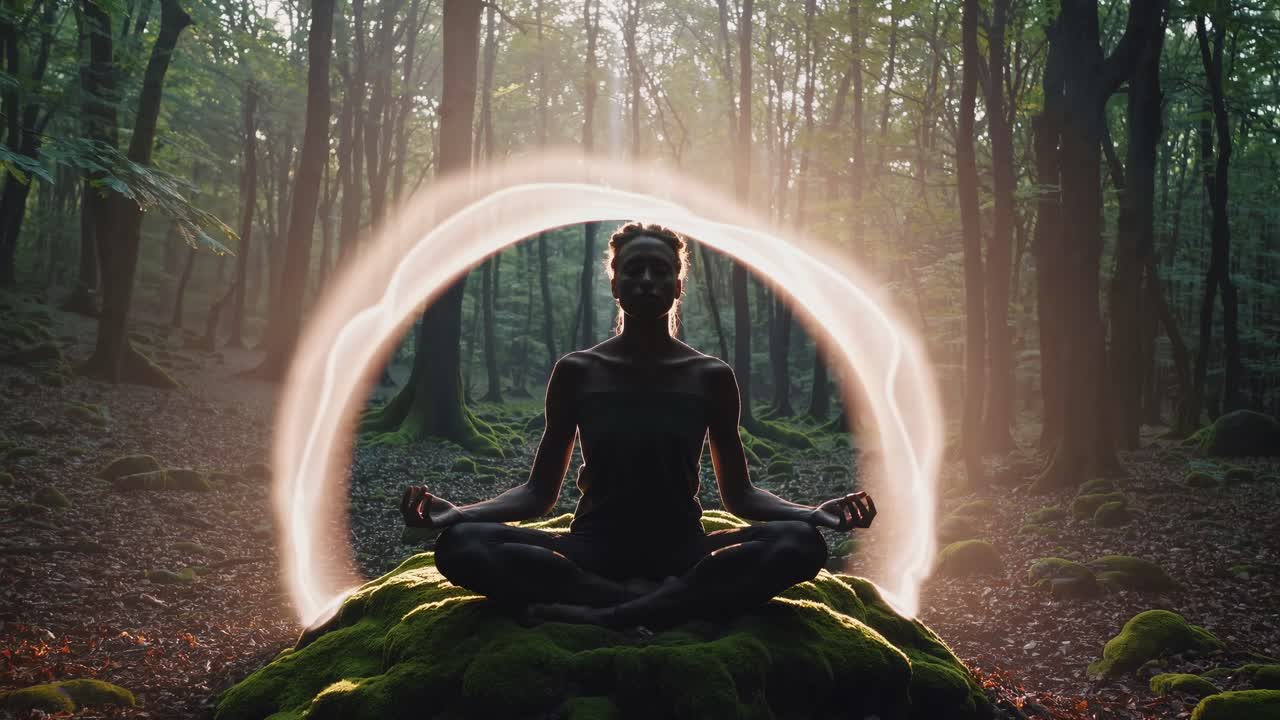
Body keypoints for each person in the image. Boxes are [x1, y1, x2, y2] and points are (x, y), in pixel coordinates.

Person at [400, 221, 875, 631]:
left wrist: (812, 513)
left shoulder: (711, 377)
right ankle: (659, 603)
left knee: (800, 544)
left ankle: (603, 612)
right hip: (591, 547)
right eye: (634, 270)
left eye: (660, 271)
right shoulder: (576, 371)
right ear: (615, 283)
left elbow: (741, 497)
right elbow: (538, 494)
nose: (647, 280)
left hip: (682, 548)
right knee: (461, 546)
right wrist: (459, 514)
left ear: (677, 285)